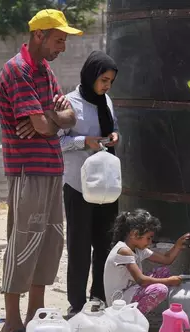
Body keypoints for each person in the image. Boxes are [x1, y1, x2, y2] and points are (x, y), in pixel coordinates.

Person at [0, 9, 81, 332]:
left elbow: (69, 117)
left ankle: (36, 315)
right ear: (40, 36)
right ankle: (11, 324)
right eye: (59, 39)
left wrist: (48, 117)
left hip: (50, 170)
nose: (62, 46)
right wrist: (52, 119)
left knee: (49, 244)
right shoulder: (17, 70)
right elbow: (51, 125)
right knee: (23, 243)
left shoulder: (43, 70)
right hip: (27, 171)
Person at [59, 51, 120, 316]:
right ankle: (77, 302)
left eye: (110, 81)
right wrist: (84, 141)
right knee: (80, 245)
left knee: (105, 244)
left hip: (106, 187)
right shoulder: (69, 103)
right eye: (103, 80)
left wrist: (113, 136)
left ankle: (99, 298)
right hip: (78, 185)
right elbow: (57, 142)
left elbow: (112, 127)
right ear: (91, 75)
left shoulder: (106, 101)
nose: (106, 86)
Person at [103, 209, 190, 314]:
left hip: (130, 291)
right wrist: (169, 281)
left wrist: (178, 244)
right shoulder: (124, 251)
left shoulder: (138, 249)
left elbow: (166, 259)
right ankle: (130, 318)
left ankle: (134, 314)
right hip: (119, 301)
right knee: (160, 290)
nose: (150, 242)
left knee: (163, 272)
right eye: (148, 238)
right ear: (134, 234)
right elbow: (141, 280)